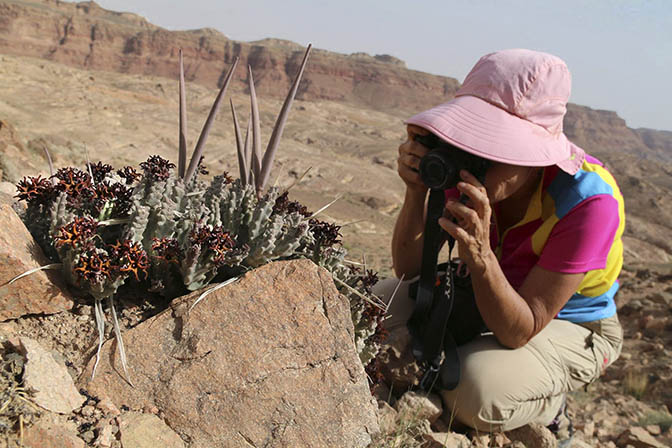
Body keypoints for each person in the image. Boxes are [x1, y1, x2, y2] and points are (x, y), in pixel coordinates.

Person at [375, 49, 624, 434]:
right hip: (488, 288)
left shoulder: (590, 203)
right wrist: (416, 191)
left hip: (572, 321)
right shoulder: (469, 167)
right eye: (472, 139)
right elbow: (409, 271)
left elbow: (519, 328)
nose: (478, 155)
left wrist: (478, 253)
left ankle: (549, 407)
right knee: (377, 307)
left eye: (494, 146)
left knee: (476, 390)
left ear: (537, 155)